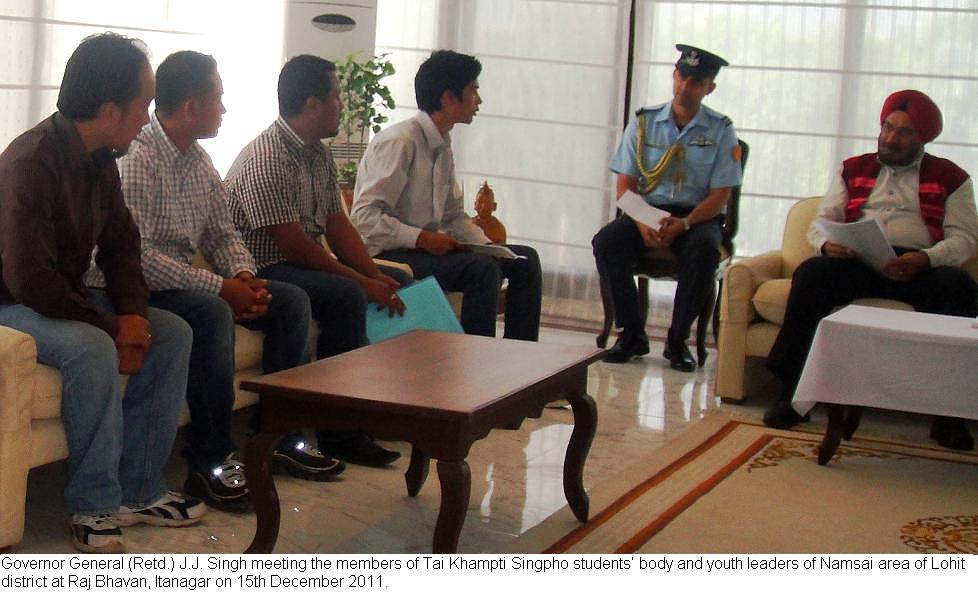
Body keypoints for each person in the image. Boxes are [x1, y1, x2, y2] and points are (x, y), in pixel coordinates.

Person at [85, 51, 344, 513]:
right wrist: (220, 288)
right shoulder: (138, 160)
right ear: (191, 107)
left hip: (181, 281)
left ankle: (282, 439)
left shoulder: (200, 161)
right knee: (210, 311)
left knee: (289, 301)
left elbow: (222, 234)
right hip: (126, 284)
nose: (224, 110)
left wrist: (243, 273)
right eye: (219, 99)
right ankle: (210, 460)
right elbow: (135, 258)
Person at [0, 33, 205, 553]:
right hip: (12, 305)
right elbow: (31, 281)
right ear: (111, 110)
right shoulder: (31, 162)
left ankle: (138, 491)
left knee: (174, 331)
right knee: (92, 347)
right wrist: (113, 328)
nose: (148, 115)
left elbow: (121, 246)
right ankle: (92, 506)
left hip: (57, 296)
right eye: (144, 104)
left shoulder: (100, 159)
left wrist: (134, 314)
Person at [763, 90, 978, 451]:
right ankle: (794, 393)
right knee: (813, 274)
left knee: (957, 287)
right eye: (887, 127)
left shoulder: (952, 178)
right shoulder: (852, 168)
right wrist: (828, 245)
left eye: (904, 132)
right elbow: (822, 222)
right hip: (859, 260)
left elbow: (966, 239)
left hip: (919, 265)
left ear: (922, 137)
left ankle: (948, 416)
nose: (891, 138)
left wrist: (926, 259)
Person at [226, 54, 405, 467]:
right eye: (337, 96)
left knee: (398, 280)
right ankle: (338, 431)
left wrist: (376, 274)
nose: (342, 105)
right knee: (345, 295)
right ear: (311, 104)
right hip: (263, 268)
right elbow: (296, 248)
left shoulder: (315, 153)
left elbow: (337, 226)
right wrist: (362, 284)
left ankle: (392, 411)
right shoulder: (268, 158)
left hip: (298, 264)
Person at [350, 50, 542, 341]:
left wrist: (489, 246)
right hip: (388, 253)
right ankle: (475, 364)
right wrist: (422, 238)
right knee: (481, 271)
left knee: (524, 260)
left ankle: (521, 361)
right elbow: (365, 217)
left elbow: (453, 216)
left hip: (425, 250)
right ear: (447, 98)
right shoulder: (400, 142)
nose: (479, 100)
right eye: (473, 90)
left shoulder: (442, 143)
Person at [593, 44, 742, 371]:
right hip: (645, 212)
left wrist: (686, 224)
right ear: (674, 75)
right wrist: (643, 222)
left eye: (695, 81)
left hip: (695, 217)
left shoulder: (721, 130)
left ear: (709, 88)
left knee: (704, 251)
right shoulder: (644, 122)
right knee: (605, 242)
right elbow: (624, 186)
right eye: (682, 77)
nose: (685, 87)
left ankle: (678, 343)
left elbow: (720, 195)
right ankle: (631, 334)